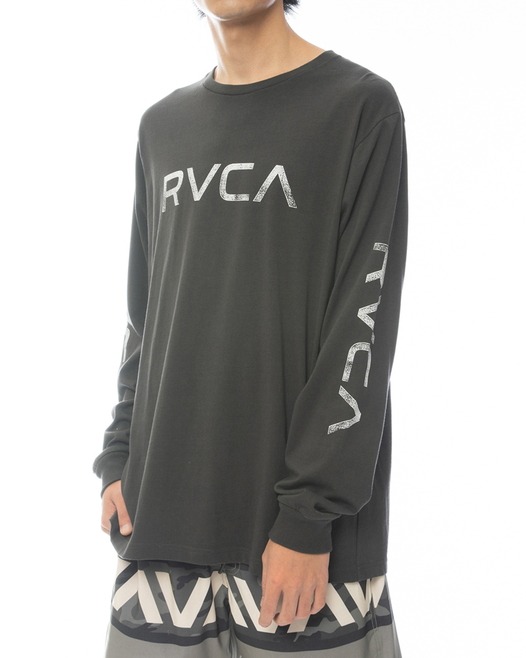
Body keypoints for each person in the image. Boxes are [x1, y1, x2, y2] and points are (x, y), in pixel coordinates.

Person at [93, 1, 408, 656]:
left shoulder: (359, 107)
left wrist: (307, 516)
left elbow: (363, 325)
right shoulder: (162, 126)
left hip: (298, 544)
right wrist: (120, 450)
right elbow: (146, 312)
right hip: (163, 518)